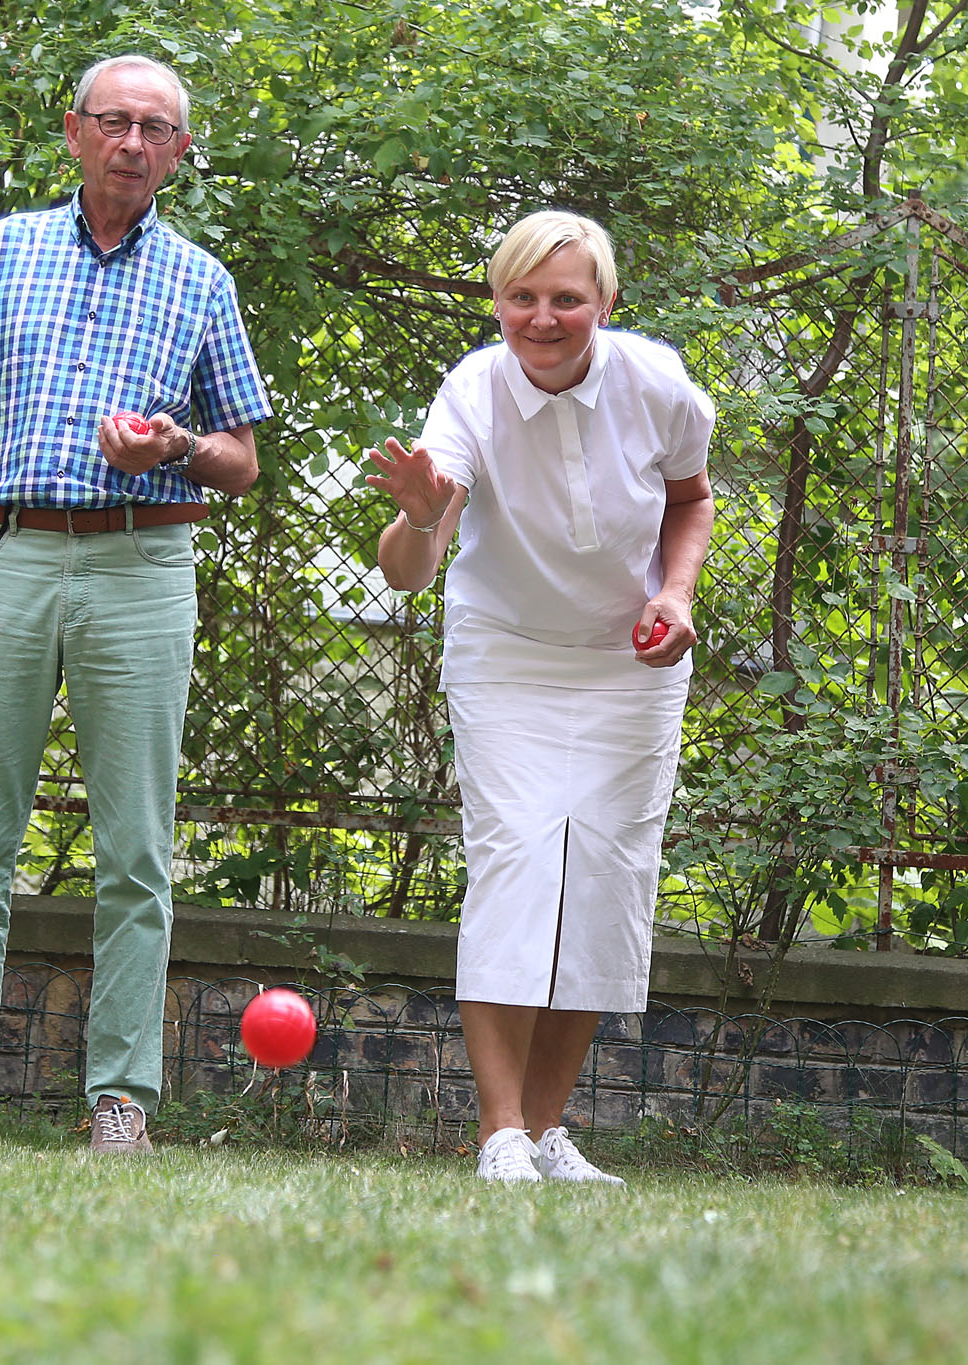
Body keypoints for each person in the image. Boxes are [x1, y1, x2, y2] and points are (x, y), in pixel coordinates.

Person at [0, 54, 270, 1153]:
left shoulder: (201, 281)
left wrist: (176, 444)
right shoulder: (0, 254)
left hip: (141, 568)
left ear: (180, 152)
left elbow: (239, 459)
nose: (132, 142)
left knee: (136, 848)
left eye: (155, 128)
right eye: (112, 122)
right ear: (73, 131)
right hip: (1, 555)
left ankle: (119, 1099)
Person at [368, 211, 715, 1184]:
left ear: (605, 303)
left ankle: (549, 1133)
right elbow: (405, 572)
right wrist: (422, 515)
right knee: (517, 863)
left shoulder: (655, 383)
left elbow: (689, 500)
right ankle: (498, 1134)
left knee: (602, 882)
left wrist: (672, 595)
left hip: (627, 665)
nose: (542, 316)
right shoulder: (469, 392)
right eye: (521, 296)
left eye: (565, 298)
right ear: (496, 301)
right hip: (507, 655)